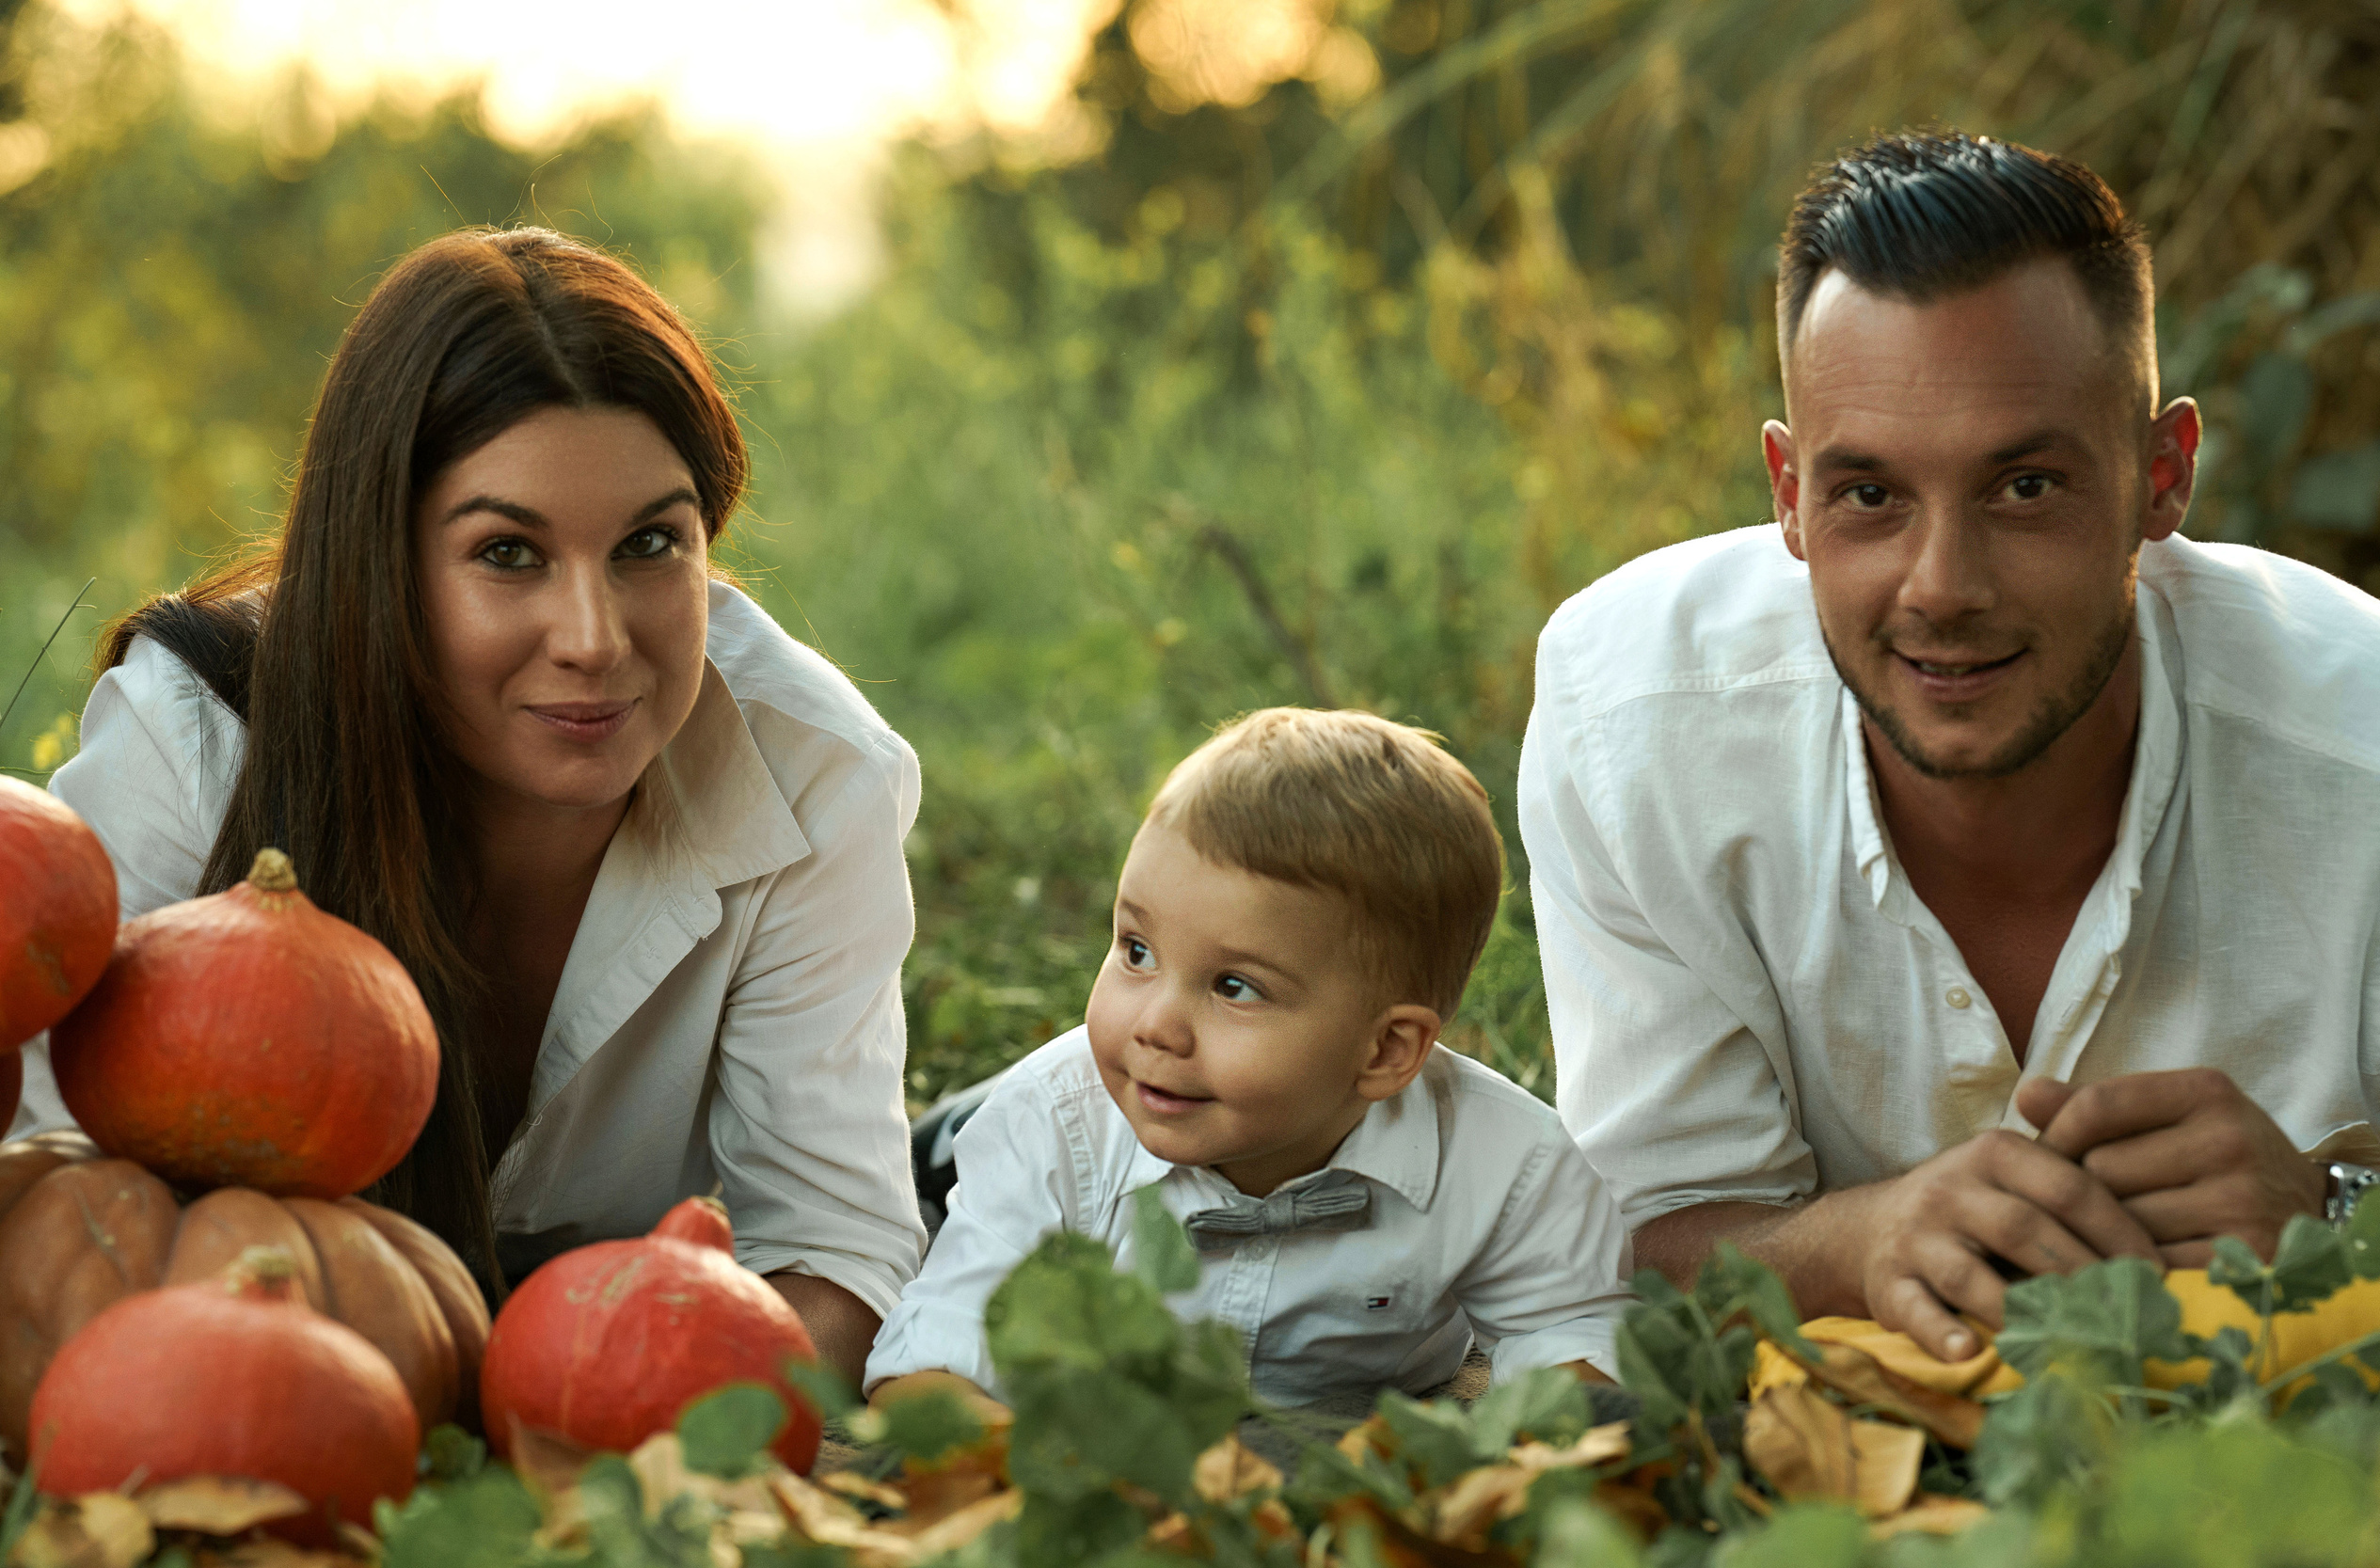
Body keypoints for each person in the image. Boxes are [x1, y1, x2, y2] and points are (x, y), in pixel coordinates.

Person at [1519, 130, 2380, 1364]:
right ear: (1787, 493)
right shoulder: (1635, 720)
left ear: (2164, 475)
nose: (1943, 586)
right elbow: (1626, 1242)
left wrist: (2336, 1220)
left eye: (2024, 487)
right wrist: (1855, 1241)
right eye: (1869, 495)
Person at [15, 228, 925, 1386]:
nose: (595, 641)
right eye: (507, 554)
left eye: (652, 543)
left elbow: (836, 1254)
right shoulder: (197, 738)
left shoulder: (812, 768)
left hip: (599, 1373)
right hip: (246, 1367)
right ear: (380, 563)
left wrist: (578, 1420)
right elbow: (51, 1191)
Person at [865, 709, 1629, 1413]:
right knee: (955, 1158)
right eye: (1136, 949)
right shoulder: (1048, 1126)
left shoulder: (1509, 1165)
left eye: (1234, 986)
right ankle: (943, 1133)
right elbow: (925, 1374)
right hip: (1024, 1152)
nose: (1157, 1024)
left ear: (1386, 1050)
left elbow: (1578, 1344)